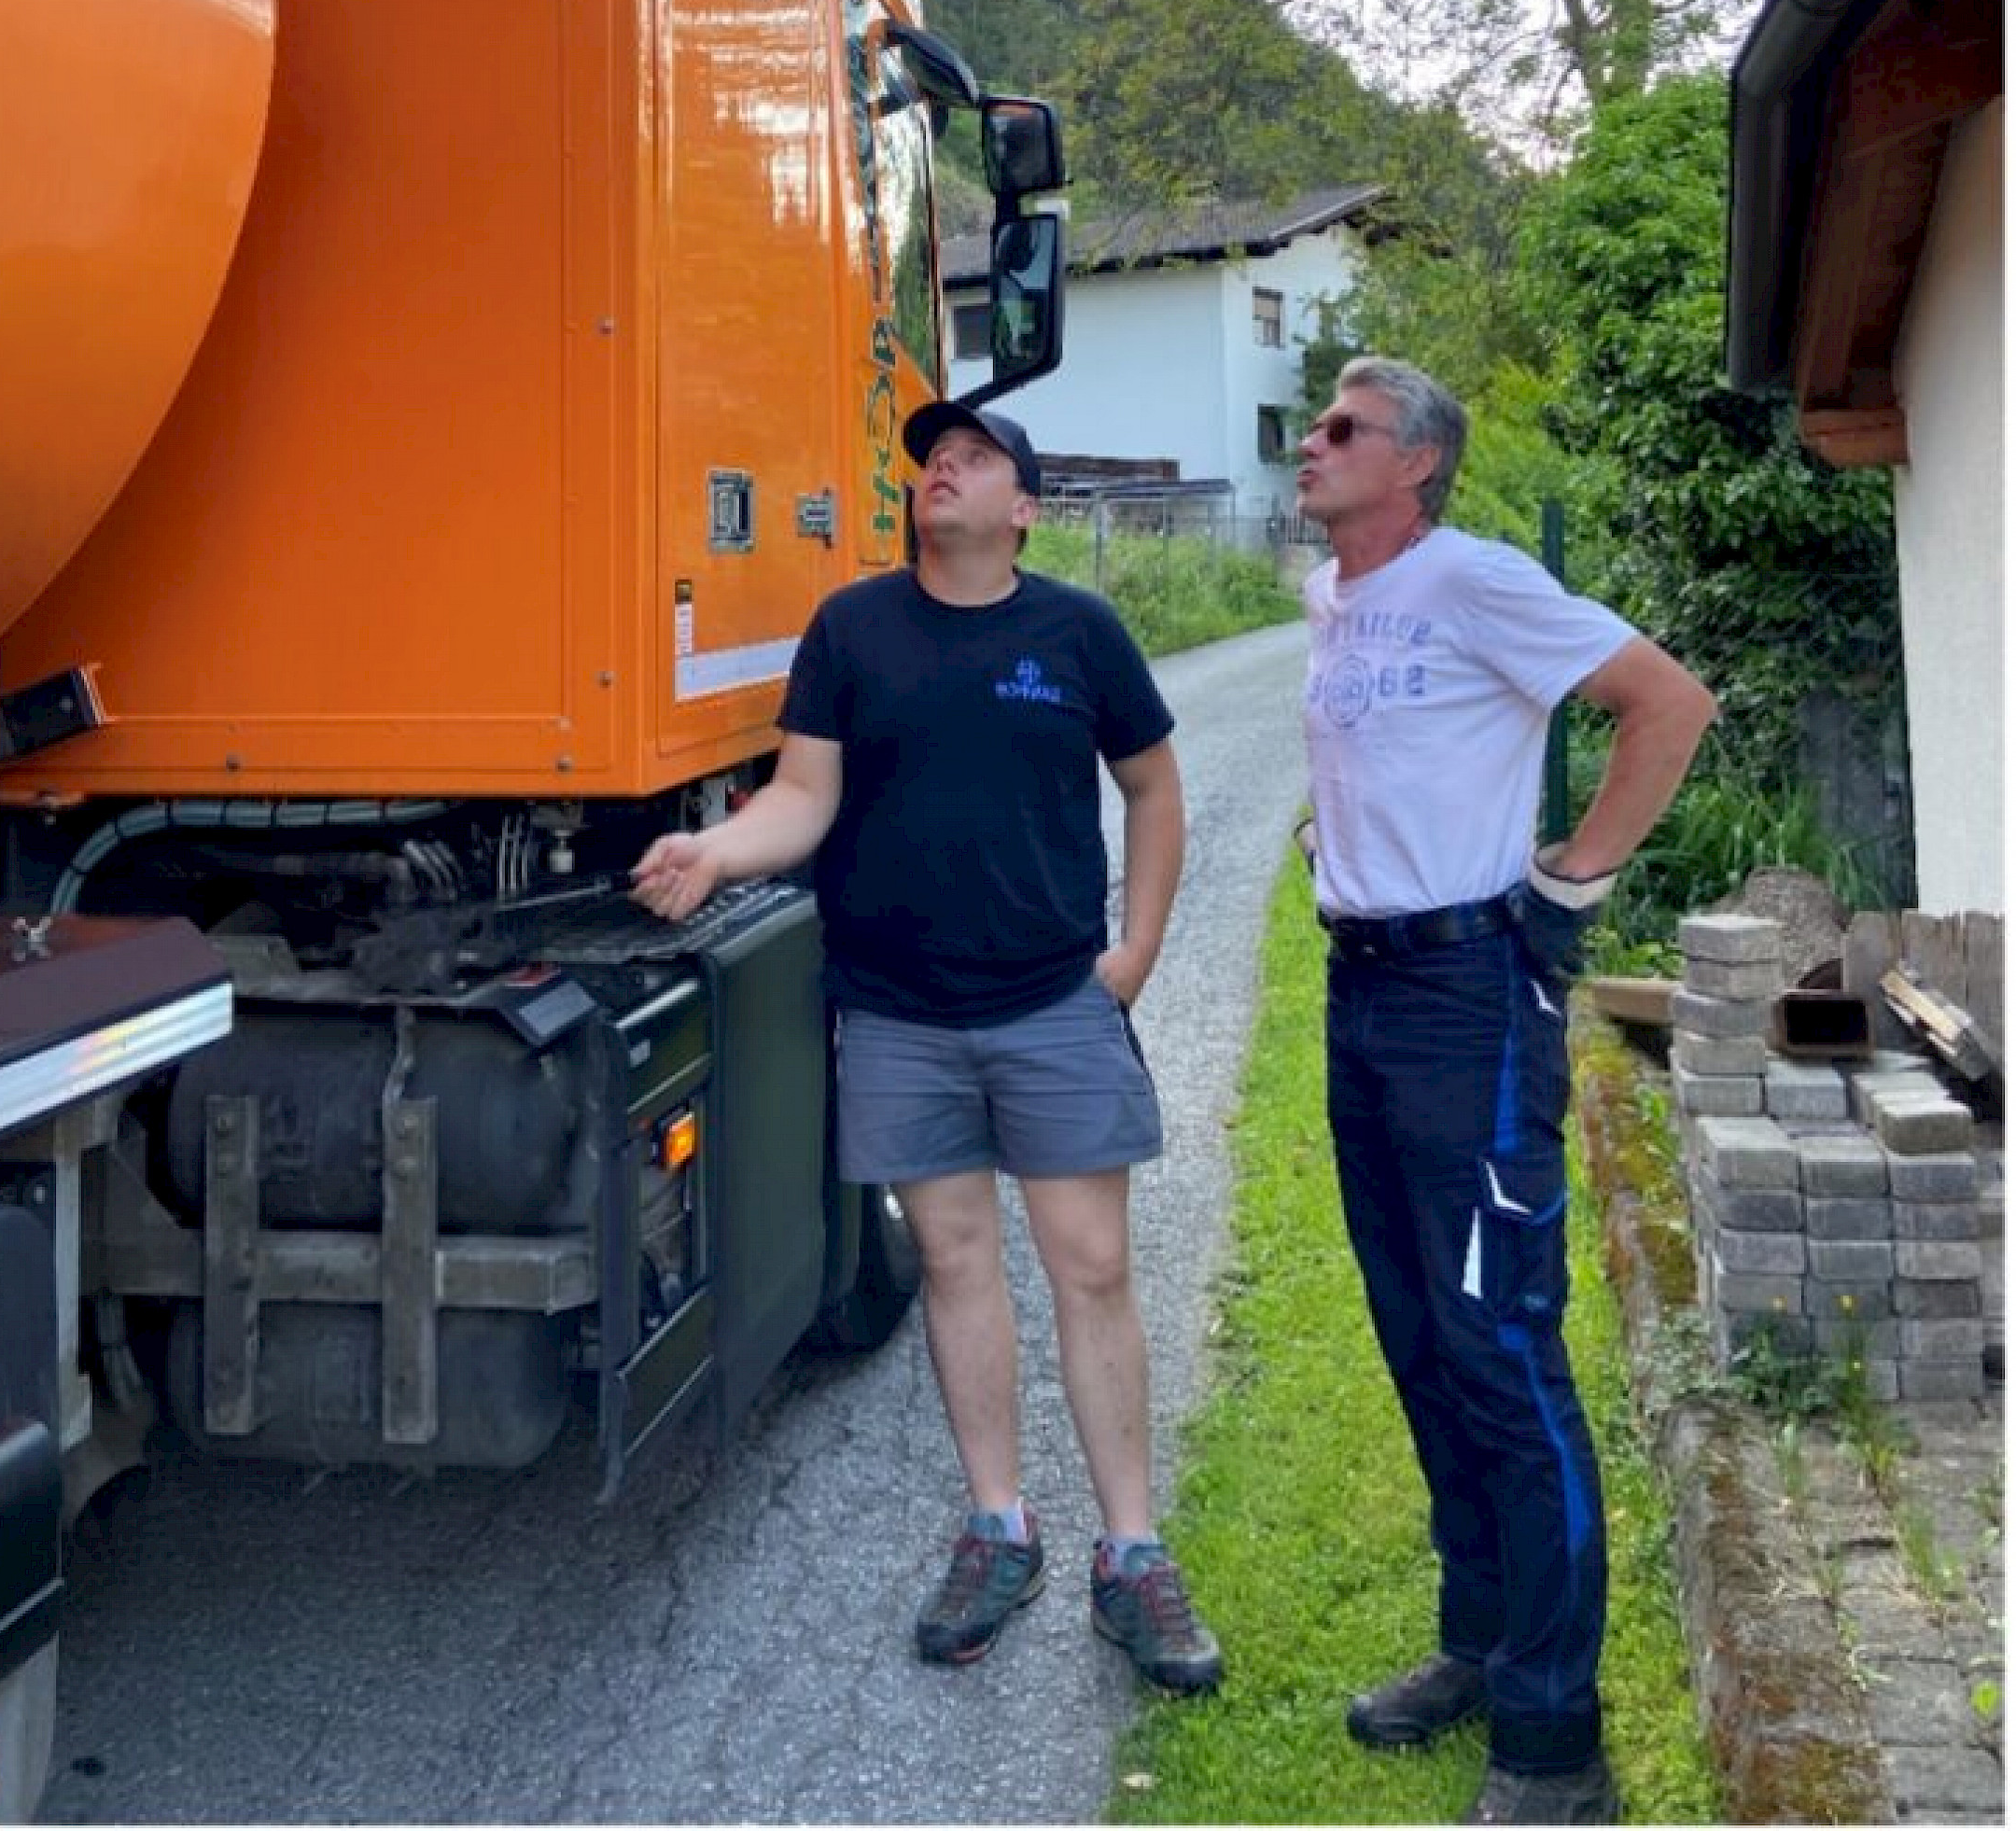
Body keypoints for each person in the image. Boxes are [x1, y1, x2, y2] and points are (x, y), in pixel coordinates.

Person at [631, 397, 1223, 1693]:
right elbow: (801, 798)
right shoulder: (852, 629)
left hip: (1051, 1003)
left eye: (971, 457)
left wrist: (1137, 950)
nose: (939, 470)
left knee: (1093, 1267)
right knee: (954, 1265)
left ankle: (1132, 1554)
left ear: (1024, 506)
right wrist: (710, 852)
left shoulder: (1078, 631)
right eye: (928, 461)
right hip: (896, 1012)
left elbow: (1155, 785)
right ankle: (998, 1527)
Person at [1295, 357, 1715, 1829]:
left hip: (1472, 1001)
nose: (1312, 441)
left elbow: (1667, 703)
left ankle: (1555, 1743)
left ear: (1418, 465)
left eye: (1345, 428)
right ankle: (1480, 1639)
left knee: (1500, 1348)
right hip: (1365, 994)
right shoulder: (1334, 601)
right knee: (1416, 1329)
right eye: (1316, 422)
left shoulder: (1474, 577)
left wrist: (1566, 888)